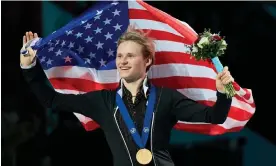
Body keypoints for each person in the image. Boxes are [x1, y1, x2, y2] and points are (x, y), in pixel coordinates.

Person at [20, 26, 234, 166]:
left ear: (147, 60)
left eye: (130, 56)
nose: (122, 61)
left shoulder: (166, 98)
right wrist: (29, 68)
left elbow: (214, 117)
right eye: (120, 56)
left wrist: (223, 92)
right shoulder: (103, 101)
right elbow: (53, 100)